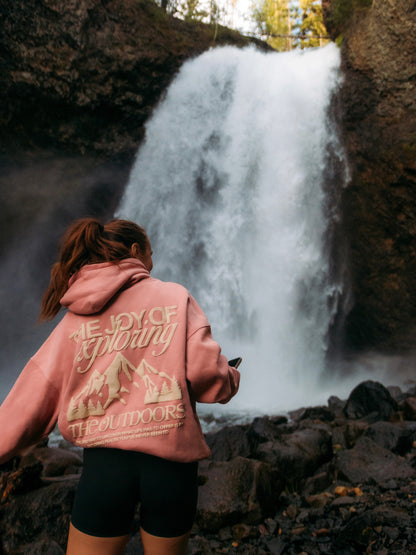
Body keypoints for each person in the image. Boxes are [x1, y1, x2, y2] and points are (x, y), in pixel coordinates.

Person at [0, 218, 240, 555]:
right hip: (171, 469)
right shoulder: (175, 297)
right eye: (151, 254)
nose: (153, 263)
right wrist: (230, 379)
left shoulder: (76, 318)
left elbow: (32, 398)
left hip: (105, 469)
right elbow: (207, 377)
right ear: (135, 251)